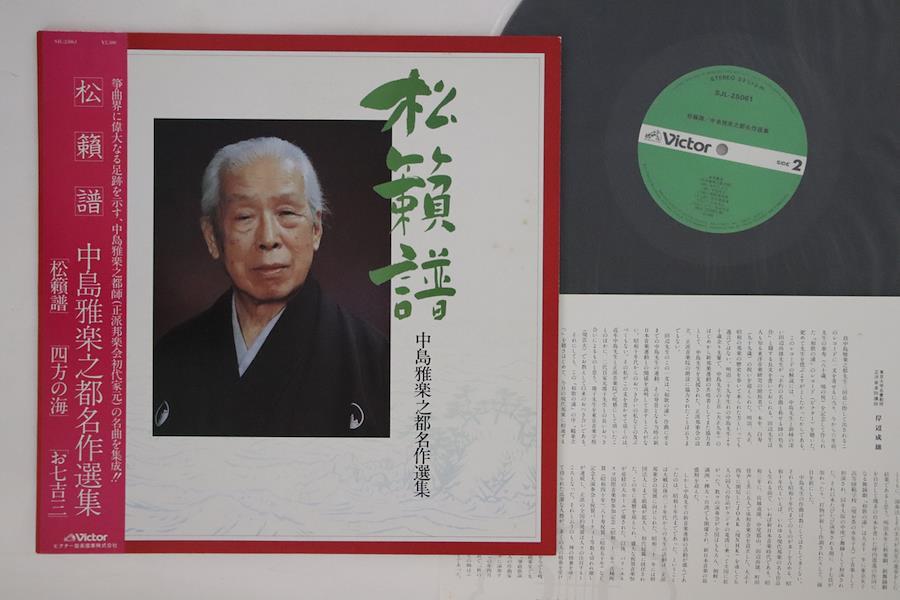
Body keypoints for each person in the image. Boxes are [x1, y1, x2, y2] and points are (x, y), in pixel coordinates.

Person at [153, 137, 389, 437]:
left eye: (287, 213)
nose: (268, 238)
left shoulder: (374, 362)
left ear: (316, 229)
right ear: (212, 236)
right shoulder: (171, 355)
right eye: (244, 217)